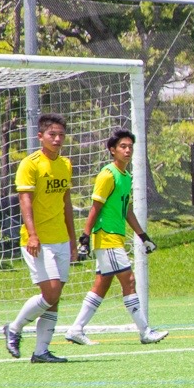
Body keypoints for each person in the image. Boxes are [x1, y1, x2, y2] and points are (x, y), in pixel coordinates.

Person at [65, 130, 167, 347]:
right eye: (123, 146)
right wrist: (85, 237)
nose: (128, 150)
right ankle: (145, 331)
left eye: (130, 146)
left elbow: (126, 210)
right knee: (129, 281)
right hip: (107, 237)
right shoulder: (107, 175)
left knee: (101, 285)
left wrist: (143, 236)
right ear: (112, 150)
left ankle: (76, 329)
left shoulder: (126, 177)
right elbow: (95, 207)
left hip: (116, 238)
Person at [2, 113, 77, 363]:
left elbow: (66, 203)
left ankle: (41, 351)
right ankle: (14, 328)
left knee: (55, 298)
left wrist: (72, 240)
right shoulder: (30, 164)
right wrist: (33, 235)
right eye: (52, 134)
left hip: (61, 238)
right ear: (40, 136)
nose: (57, 139)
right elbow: (25, 202)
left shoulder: (65, 164)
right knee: (51, 293)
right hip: (38, 241)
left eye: (61, 135)